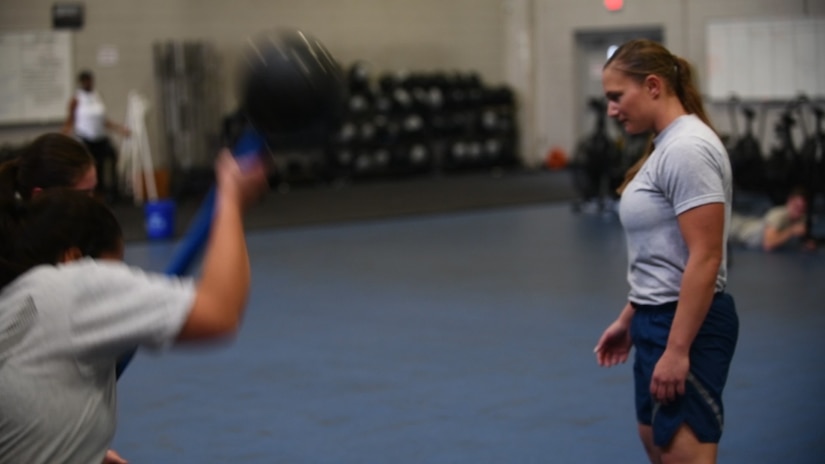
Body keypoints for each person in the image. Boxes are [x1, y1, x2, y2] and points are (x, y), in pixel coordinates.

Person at [0, 150, 268, 464]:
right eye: (113, 269)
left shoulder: (16, 299)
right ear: (73, 258)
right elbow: (220, 312)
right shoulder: (73, 288)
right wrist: (231, 199)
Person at [593, 39, 739, 464]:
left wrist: (677, 350)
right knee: (657, 445)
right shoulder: (666, 145)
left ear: (653, 86)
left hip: (685, 325)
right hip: (654, 320)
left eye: (617, 97)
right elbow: (664, 255)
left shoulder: (688, 149)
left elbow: (706, 258)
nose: (611, 110)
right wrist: (629, 318)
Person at [62, 70, 130, 203]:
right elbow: (70, 120)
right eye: (85, 81)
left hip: (100, 138)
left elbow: (103, 120)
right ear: (81, 82)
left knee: (111, 157)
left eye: (90, 80)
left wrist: (119, 128)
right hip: (85, 138)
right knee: (91, 166)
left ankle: (111, 191)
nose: (88, 83)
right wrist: (62, 135)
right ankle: (90, 194)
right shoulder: (76, 99)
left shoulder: (97, 96)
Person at [729, 187, 815, 252]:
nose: (799, 212)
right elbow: (768, 244)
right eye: (796, 207)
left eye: (802, 209)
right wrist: (791, 231)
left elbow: (790, 240)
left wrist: (804, 244)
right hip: (738, 230)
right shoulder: (778, 214)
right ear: (790, 201)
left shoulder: (801, 217)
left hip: (749, 223)